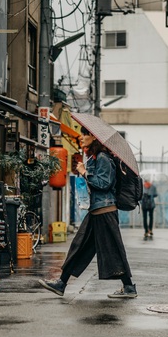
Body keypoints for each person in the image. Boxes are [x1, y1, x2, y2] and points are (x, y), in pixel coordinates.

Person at [38, 127, 137, 299]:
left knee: (113, 248)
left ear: (94, 136)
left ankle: (128, 286)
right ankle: (62, 283)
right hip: (97, 210)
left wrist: (85, 172)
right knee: (80, 246)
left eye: (85, 134)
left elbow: (104, 183)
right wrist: (86, 168)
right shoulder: (95, 158)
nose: (81, 137)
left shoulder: (104, 158)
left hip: (105, 211)